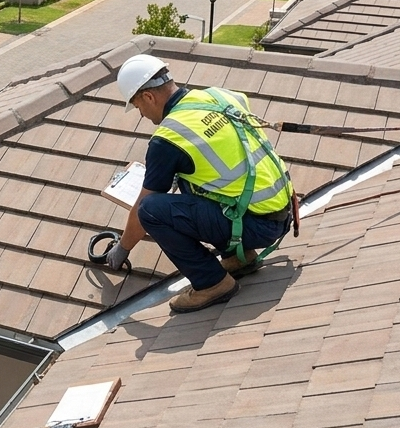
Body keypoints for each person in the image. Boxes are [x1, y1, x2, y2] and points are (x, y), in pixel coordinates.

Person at [105, 54, 294, 313]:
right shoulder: (220, 96)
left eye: (138, 106)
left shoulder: (168, 138)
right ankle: (240, 257)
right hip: (282, 212)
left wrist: (122, 248)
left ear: (149, 97)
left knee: (151, 209)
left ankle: (212, 283)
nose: (142, 114)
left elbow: (142, 207)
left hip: (257, 225)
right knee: (190, 176)